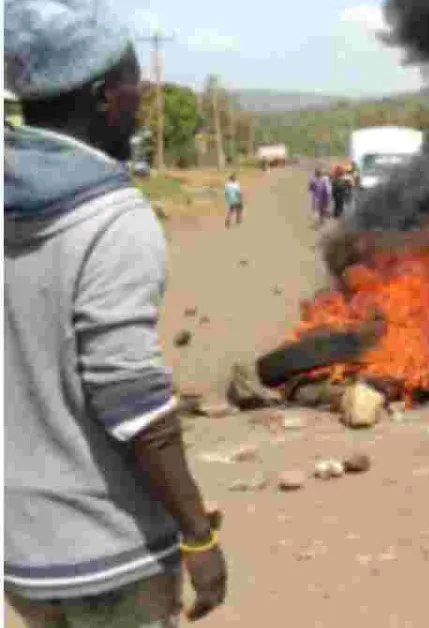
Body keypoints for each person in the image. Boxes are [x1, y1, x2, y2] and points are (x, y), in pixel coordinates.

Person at [3, 1, 228, 625]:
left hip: (19, 554)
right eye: (134, 80)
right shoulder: (112, 217)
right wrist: (197, 534)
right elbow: (130, 396)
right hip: (110, 556)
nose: (142, 96)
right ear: (105, 96)